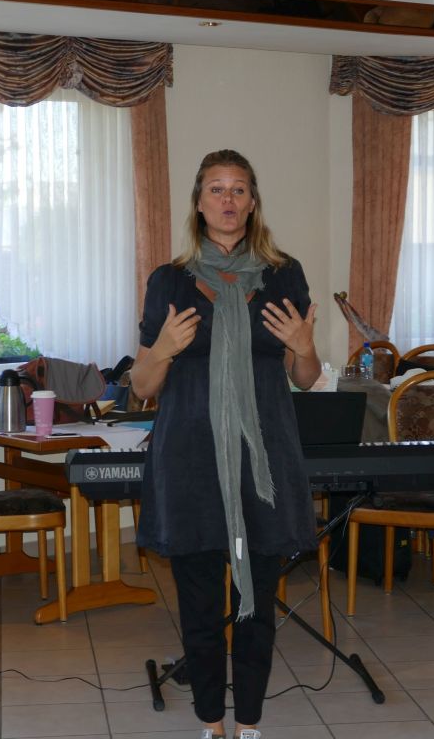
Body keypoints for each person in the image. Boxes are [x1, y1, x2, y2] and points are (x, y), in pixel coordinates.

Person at [130, 149, 320, 739]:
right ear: (199, 202)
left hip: (264, 457)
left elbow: (305, 376)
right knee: (200, 602)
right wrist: (163, 349)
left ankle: (250, 724)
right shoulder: (169, 280)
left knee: (258, 602)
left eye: (239, 189)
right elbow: (142, 387)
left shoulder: (284, 275)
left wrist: (305, 346)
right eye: (216, 189)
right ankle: (211, 723)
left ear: (253, 202)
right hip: (191, 457)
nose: (228, 200)